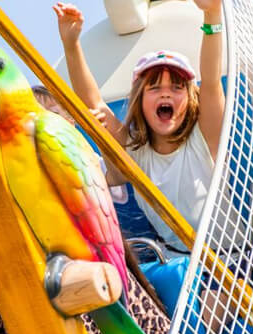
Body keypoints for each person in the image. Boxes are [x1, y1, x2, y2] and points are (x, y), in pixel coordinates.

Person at [55, 0, 225, 253]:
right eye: (154, 88)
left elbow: (211, 82)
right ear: (140, 102)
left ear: (190, 100)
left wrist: (212, 15)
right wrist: (72, 46)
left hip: (232, 256)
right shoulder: (135, 153)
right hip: (180, 260)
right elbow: (94, 103)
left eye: (176, 88)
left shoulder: (203, 137)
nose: (165, 94)